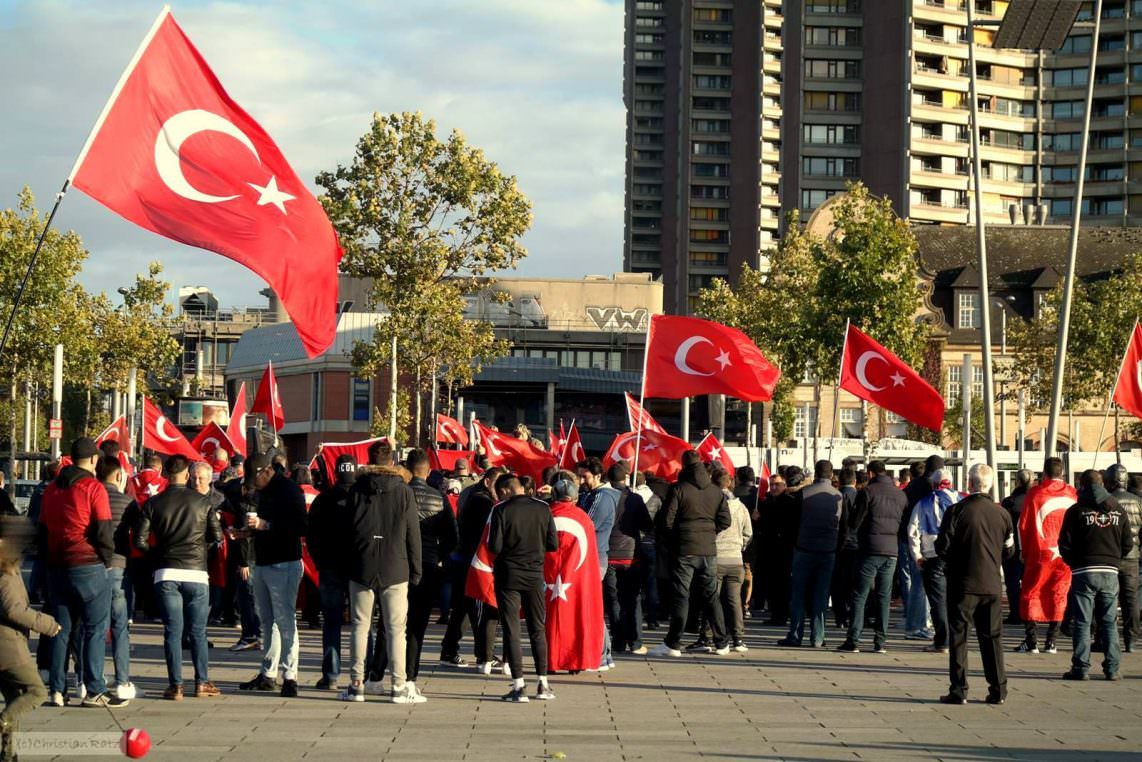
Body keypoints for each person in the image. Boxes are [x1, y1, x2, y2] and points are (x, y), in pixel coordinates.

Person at [38, 438, 122, 708]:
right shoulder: (93, 487)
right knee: (94, 629)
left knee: (60, 630)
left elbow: (42, 530)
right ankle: (94, 688)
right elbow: (103, 530)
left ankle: (57, 690)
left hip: (57, 567)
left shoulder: (51, 489)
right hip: (87, 564)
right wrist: (106, 560)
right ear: (95, 460)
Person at [370, 450, 458, 695]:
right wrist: (438, 556)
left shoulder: (395, 495)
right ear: (428, 472)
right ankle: (409, 678)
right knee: (417, 626)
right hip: (428, 567)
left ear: (407, 469)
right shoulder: (438, 498)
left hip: (395, 564)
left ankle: (375, 676)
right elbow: (452, 538)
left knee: (388, 623)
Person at [136, 455, 222, 700]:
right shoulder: (203, 503)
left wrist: (157, 555)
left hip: (166, 571)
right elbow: (217, 536)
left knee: (172, 631)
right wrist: (201, 550)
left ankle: (175, 686)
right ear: (187, 475)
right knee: (198, 632)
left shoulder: (153, 503)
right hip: (196, 572)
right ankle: (201, 682)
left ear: (164, 474)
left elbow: (139, 541)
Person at [340, 459, 422, 704]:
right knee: (397, 629)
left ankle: (356, 685)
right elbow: (412, 533)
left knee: (359, 626)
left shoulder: (357, 489)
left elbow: (347, 530)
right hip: (395, 566)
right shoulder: (404, 492)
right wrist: (416, 570)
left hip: (362, 566)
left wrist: (349, 563)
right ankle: (398, 686)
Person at [935, 463, 1013, 705]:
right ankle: (998, 689)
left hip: (962, 583)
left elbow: (942, 547)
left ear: (969, 484)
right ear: (990, 484)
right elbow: (1009, 551)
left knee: (959, 637)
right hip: (991, 583)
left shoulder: (956, 511)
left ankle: (959, 689)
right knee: (992, 638)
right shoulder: (1002, 514)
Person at [649, 450, 732, 657]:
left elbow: (666, 521)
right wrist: (709, 532)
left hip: (684, 549)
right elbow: (725, 521)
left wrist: (676, 538)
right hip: (708, 549)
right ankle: (722, 642)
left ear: (683, 465)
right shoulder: (715, 491)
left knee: (681, 595)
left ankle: (673, 643)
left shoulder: (678, 488)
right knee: (712, 596)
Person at [238, 453, 308, 698]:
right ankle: (268, 673)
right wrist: (248, 532)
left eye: (253, 479)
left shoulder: (289, 490)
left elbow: (301, 526)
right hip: (265, 561)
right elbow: (265, 525)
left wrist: (265, 526)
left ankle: (290, 676)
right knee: (267, 622)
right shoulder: (264, 492)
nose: (251, 485)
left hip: (284, 563)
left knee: (285, 620)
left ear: (265, 472)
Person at [488, 474, 558, 702]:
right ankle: (543, 683)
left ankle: (519, 686)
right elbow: (552, 544)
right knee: (538, 629)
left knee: (512, 629)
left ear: (507, 490)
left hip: (508, 575)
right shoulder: (543, 508)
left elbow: (494, 546)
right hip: (534, 575)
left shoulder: (501, 510)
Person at [1059, 470, 1133, 681]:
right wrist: (1114, 559)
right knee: (1109, 621)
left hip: (1084, 570)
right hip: (1110, 570)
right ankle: (1112, 668)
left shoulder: (1076, 511)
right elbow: (1128, 542)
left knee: (1083, 621)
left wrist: (1074, 562)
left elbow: (1064, 542)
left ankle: (1081, 668)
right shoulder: (1117, 509)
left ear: (1082, 485)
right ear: (1103, 484)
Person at [0, 517, 60, 759]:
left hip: (7, 645)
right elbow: (14, 609)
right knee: (37, 692)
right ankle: (2, 723)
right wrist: (47, 624)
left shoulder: (8, 572)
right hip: (8, 647)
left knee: (15, 697)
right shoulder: (5, 576)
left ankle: (8, 753)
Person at [441, 466, 507, 671]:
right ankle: (483, 654)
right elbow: (486, 535)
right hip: (472, 561)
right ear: (488, 482)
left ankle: (449, 650)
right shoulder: (484, 502)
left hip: (463, 558)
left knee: (462, 608)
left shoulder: (472, 493)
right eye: (499, 485)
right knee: (478, 610)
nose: (503, 490)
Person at [838, 460, 907, 654]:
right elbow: (904, 522)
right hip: (891, 551)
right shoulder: (900, 494)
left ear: (870, 473)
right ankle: (880, 642)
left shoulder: (867, 492)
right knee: (884, 597)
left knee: (860, 595)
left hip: (869, 549)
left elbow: (855, 521)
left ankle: (853, 640)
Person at [306, 454, 358, 690]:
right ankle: (362, 673)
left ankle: (331, 675)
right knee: (362, 622)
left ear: (336, 473)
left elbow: (312, 534)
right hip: (358, 568)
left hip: (330, 567)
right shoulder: (362, 498)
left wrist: (319, 561)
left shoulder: (323, 499)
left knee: (332, 622)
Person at [779, 460, 842, 649]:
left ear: (815, 473)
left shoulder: (803, 494)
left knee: (798, 594)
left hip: (804, 549)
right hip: (828, 550)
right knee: (820, 596)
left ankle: (795, 635)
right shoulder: (838, 496)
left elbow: (792, 523)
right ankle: (818, 637)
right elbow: (843, 526)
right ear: (831, 475)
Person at [1016, 458, 1075, 655]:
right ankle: (1052, 641)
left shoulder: (1035, 494)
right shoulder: (1072, 494)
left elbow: (1023, 525)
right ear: (1063, 473)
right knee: (1059, 593)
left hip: (1040, 551)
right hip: (1065, 554)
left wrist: (1023, 551)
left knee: (1031, 592)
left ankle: (1031, 641)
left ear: (1044, 473)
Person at [907, 468, 959, 654]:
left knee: (938, 602)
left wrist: (917, 555)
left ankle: (942, 640)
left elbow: (912, 530)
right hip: (956, 556)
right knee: (955, 600)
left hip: (933, 555)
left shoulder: (924, 502)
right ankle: (957, 639)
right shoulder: (960, 500)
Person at [603, 463, 652, 655]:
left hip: (609, 554)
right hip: (631, 556)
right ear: (625, 478)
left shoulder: (604, 498)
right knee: (632, 599)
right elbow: (647, 525)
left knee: (613, 600)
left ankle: (618, 641)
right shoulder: (635, 499)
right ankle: (636, 641)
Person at [98, 456, 137, 701]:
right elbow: (141, 531)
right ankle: (122, 681)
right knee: (119, 625)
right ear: (119, 475)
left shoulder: (90, 498)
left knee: (93, 627)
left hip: (92, 567)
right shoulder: (127, 502)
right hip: (119, 566)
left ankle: (89, 678)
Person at [576, 457, 619, 669]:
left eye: (585, 477)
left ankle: (602, 653)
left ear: (598, 476)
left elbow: (584, 525)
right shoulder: (592, 494)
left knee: (591, 606)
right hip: (592, 554)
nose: (581, 481)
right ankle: (604, 654)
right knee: (591, 605)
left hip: (594, 555)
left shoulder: (602, 497)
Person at [900, 457, 940, 641]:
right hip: (922, 541)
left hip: (908, 539)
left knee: (917, 583)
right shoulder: (928, 488)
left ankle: (916, 622)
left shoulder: (912, 486)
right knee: (921, 585)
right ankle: (918, 625)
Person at [1103, 464, 1141, 652]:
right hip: (1132, 555)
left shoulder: (1107, 502)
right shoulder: (1138, 501)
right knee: (1130, 598)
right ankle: (1131, 638)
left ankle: (1105, 637)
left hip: (1109, 555)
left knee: (1107, 597)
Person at [714, 468, 752, 652]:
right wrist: (740, 546)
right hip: (735, 558)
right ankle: (738, 638)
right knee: (734, 600)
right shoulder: (741, 507)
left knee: (712, 599)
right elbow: (748, 533)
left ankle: (710, 637)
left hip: (716, 556)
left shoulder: (712, 504)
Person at [1000, 469, 1032, 624]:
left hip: (1012, 546)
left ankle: (1015, 613)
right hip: (1031, 546)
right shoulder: (1034, 499)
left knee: (1012, 582)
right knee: (1029, 581)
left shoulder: (1009, 502)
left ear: (1017, 482)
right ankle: (1029, 611)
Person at [831, 466, 860, 629]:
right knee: (854, 583)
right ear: (854, 481)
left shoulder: (837, 497)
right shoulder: (860, 496)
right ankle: (852, 614)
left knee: (838, 584)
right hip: (856, 545)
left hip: (839, 545)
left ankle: (840, 617)